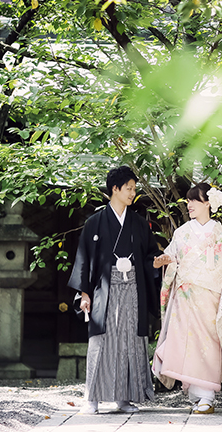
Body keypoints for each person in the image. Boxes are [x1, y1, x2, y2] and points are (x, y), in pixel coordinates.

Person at [152, 183, 222, 414]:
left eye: (194, 200)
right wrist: (163, 261)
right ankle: (198, 396)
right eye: (188, 201)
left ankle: (207, 396)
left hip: (211, 296)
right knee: (184, 343)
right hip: (185, 296)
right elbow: (171, 256)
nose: (189, 205)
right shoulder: (182, 232)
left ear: (208, 203)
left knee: (208, 344)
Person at [67, 165, 160, 414]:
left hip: (133, 288)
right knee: (101, 341)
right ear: (115, 189)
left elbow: (150, 255)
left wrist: (157, 262)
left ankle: (124, 398)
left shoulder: (139, 224)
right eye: (129, 188)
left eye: (134, 189)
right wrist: (84, 293)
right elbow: (83, 259)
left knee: (130, 340)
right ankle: (92, 399)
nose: (133, 193)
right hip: (104, 290)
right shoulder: (95, 222)